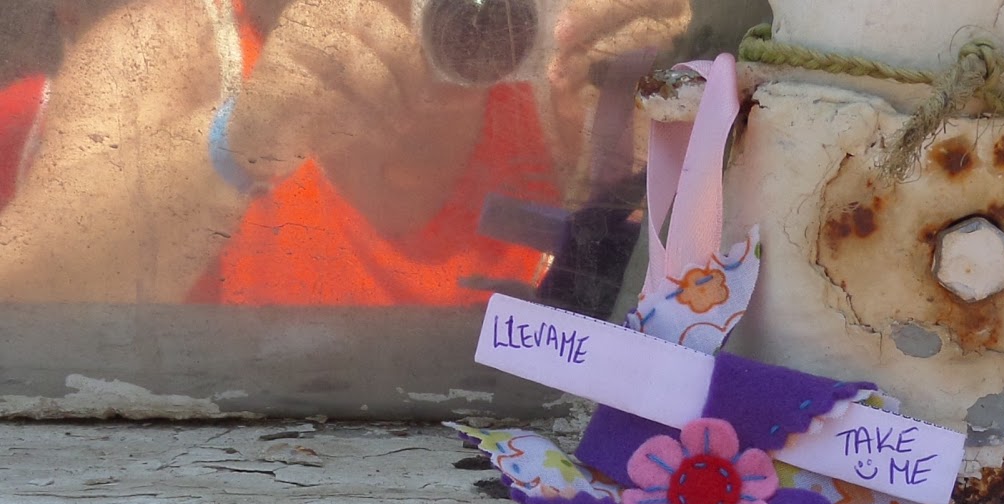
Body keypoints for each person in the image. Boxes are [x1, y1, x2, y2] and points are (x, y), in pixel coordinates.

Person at [0, 0, 689, 305]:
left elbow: (705, 313)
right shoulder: (179, 51)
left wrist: (652, 115)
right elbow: (24, 299)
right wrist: (242, 136)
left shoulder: (573, 81)